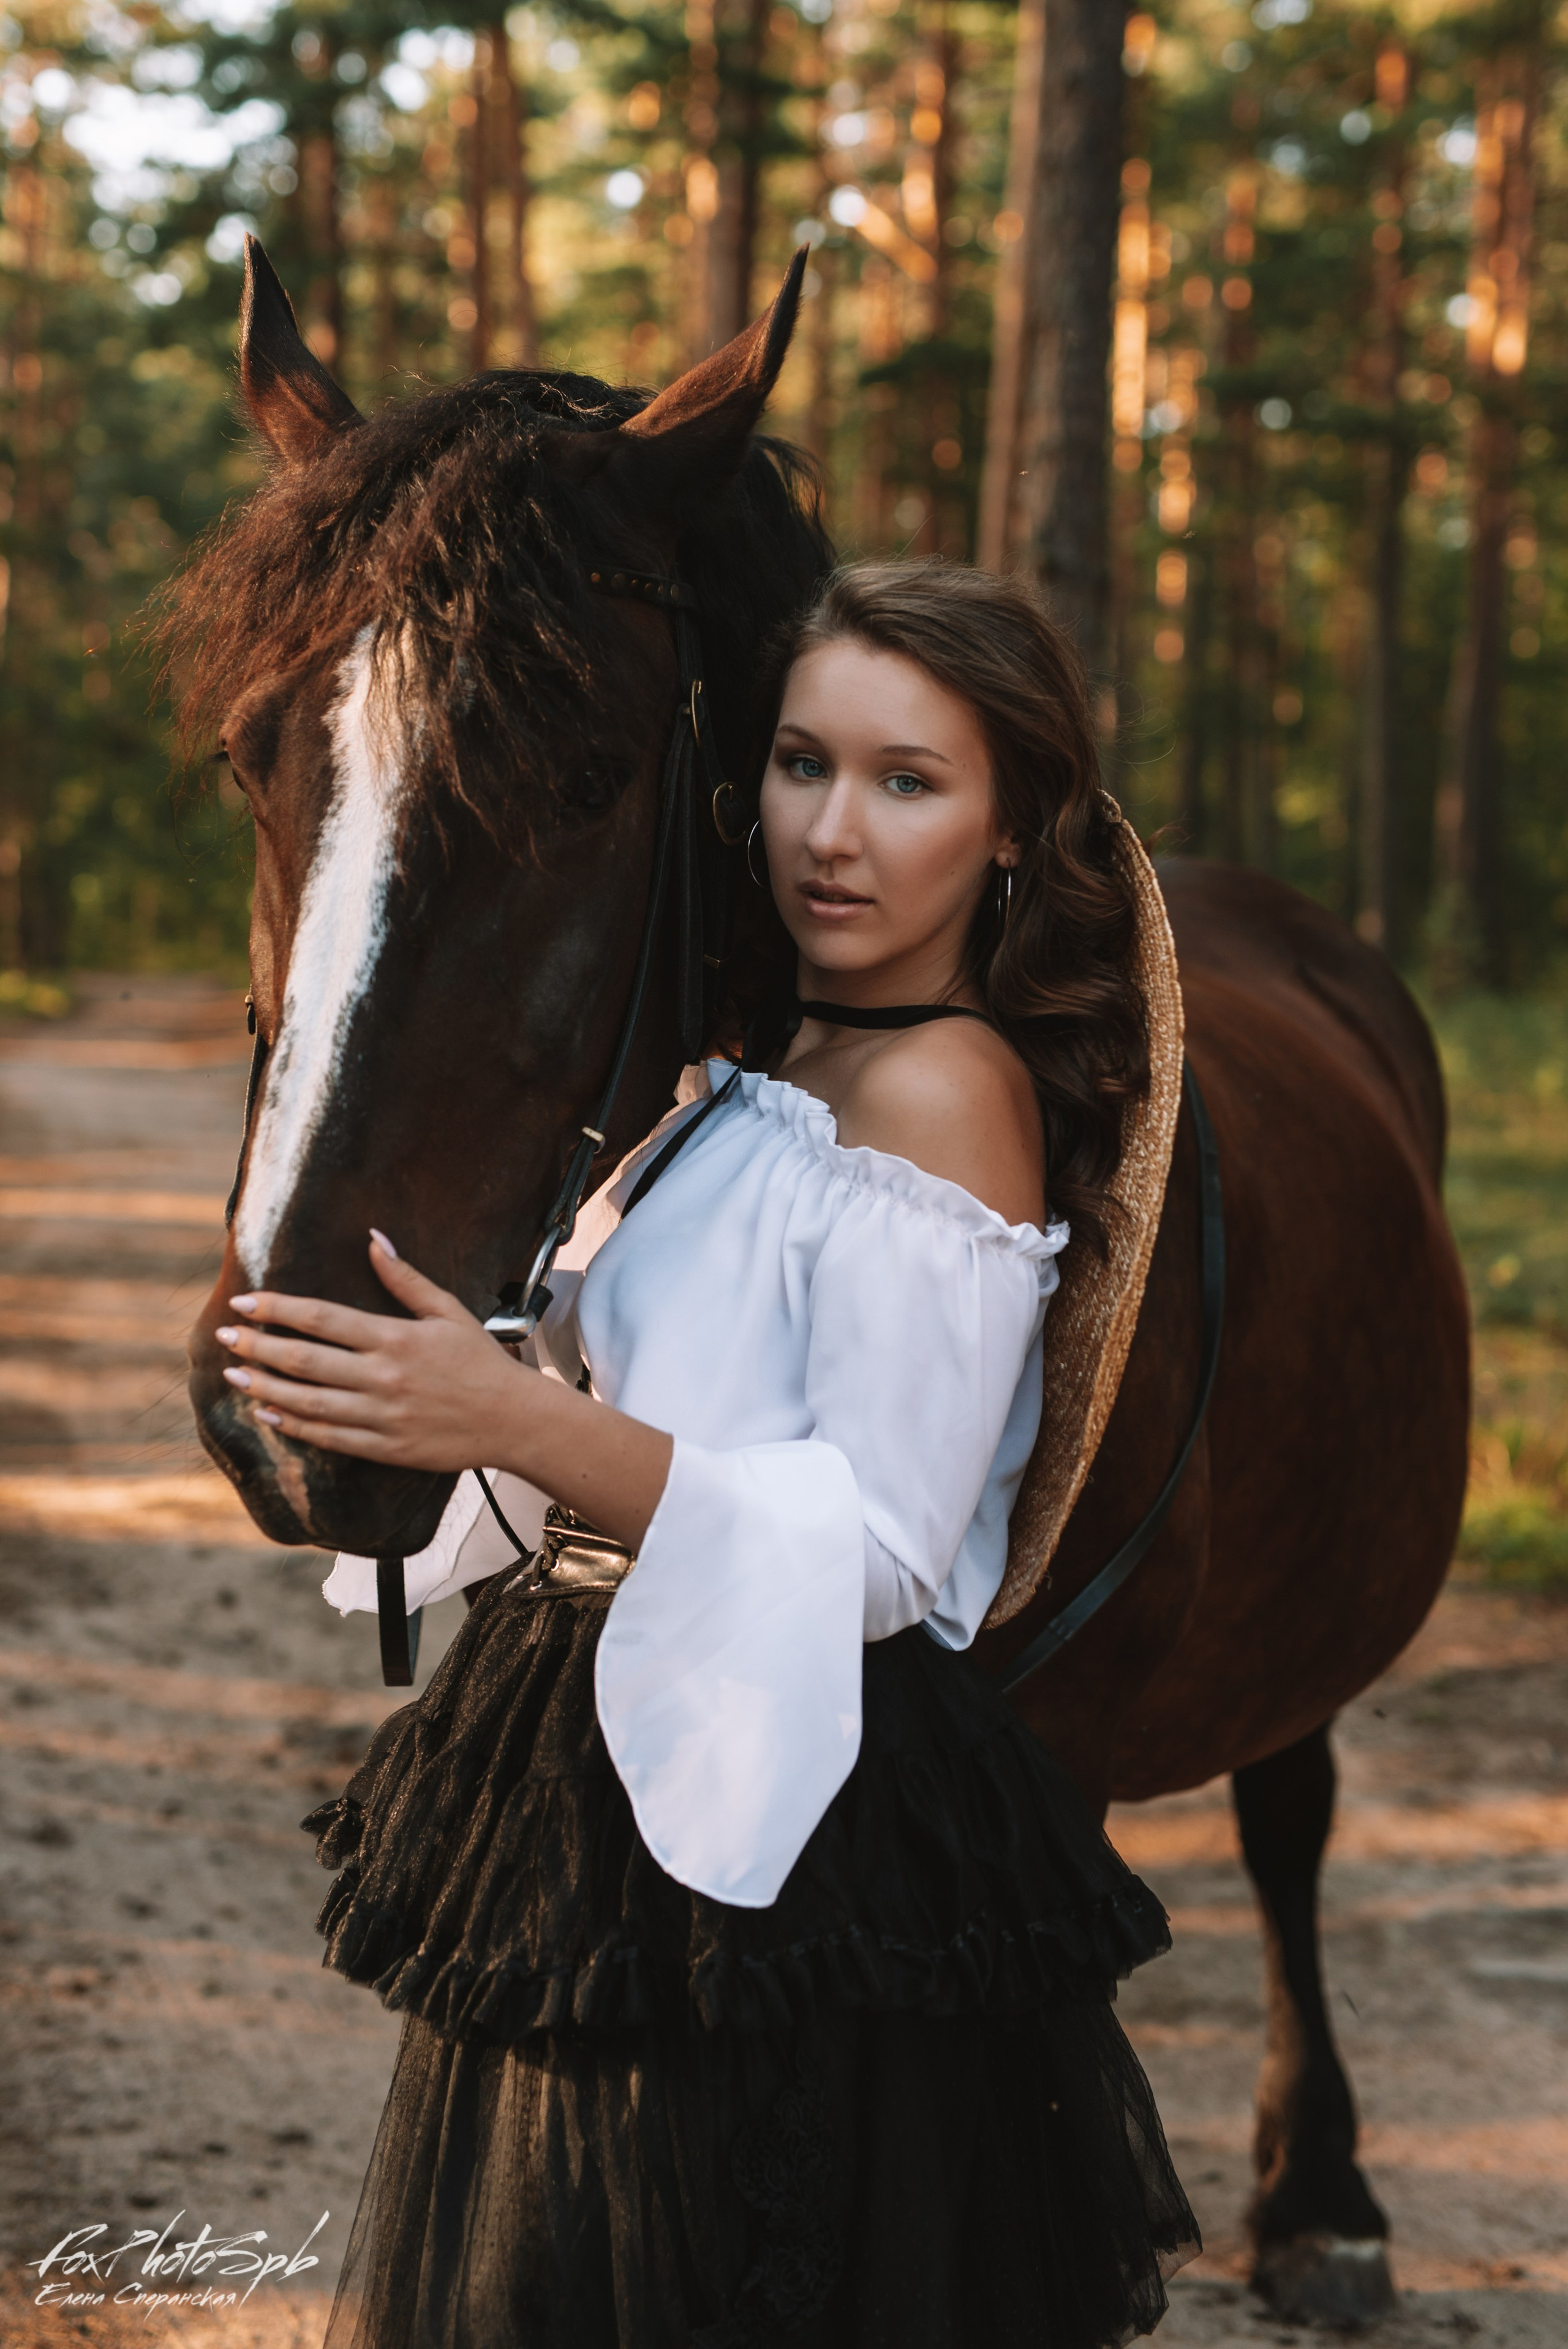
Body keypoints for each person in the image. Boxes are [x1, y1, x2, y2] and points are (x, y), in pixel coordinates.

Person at [214, 559, 1199, 2348]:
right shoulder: (760, 1062)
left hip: (798, 1815)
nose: (833, 832)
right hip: (605, 1726)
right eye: (802, 764)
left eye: (910, 781)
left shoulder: (947, 1097)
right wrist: (415, 1383)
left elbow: (893, 1551)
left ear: (1008, 829)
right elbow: (667, 1368)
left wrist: (518, 1421)